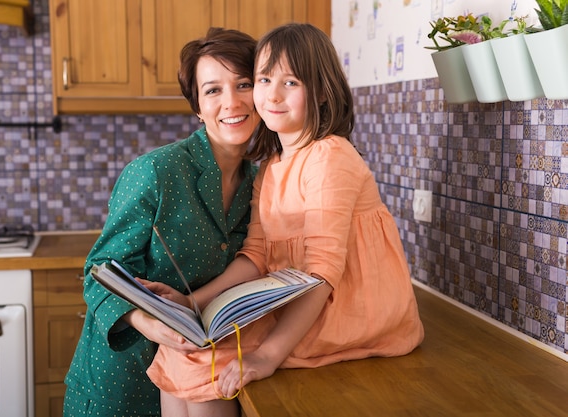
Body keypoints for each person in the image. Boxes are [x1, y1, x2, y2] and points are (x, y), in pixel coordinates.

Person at [144, 23, 425, 417]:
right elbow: (256, 255)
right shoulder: (273, 166)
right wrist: (193, 302)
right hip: (300, 304)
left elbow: (323, 270)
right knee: (183, 349)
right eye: (263, 79)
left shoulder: (330, 156)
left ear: (322, 91)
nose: (272, 95)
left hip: (349, 310)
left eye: (290, 82)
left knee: (212, 358)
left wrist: (268, 356)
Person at [62, 27, 262, 417]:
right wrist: (150, 325)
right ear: (197, 107)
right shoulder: (156, 172)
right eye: (213, 90)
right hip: (121, 380)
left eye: (244, 84)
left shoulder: (258, 184)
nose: (232, 102)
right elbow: (96, 273)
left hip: (201, 379)